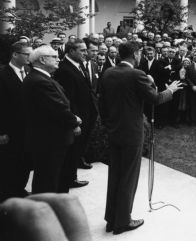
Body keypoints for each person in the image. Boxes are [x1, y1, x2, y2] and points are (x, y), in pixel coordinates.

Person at [98, 42, 182, 235]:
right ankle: (123, 222)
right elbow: (155, 99)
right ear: (135, 54)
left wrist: (108, 125)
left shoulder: (108, 73)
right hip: (131, 133)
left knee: (116, 175)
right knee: (129, 176)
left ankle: (111, 219)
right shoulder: (136, 74)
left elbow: (101, 103)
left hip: (114, 131)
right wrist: (170, 90)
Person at [23, 45, 82, 194]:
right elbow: (57, 108)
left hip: (51, 139)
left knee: (53, 179)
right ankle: (48, 213)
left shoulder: (41, 77)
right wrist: (74, 120)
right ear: (42, 60)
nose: (58, 60)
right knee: (48, 181)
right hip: (50, 141)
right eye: (54, 57)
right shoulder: (39, 81)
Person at [53, 39, 98, 189]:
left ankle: (71, 177)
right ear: (71, 51)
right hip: (77, 119)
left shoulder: (77, 66)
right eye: (83, 50)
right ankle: (68, 179)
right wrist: (73, 123)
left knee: (77, 150)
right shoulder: (65, 70)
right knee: (72, 151)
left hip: (86, 115)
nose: (86, 53)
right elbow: (68, 99)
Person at [0, 42, 32, 201]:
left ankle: (19, 188)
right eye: (27, 54)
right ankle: (7, 193)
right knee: (9, 162)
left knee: (25, 161)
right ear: (15, 54)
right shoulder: (3, 75)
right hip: (10, 130)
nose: (30, 57)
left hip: (27, 129)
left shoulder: (28, 71)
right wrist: (1, 131)